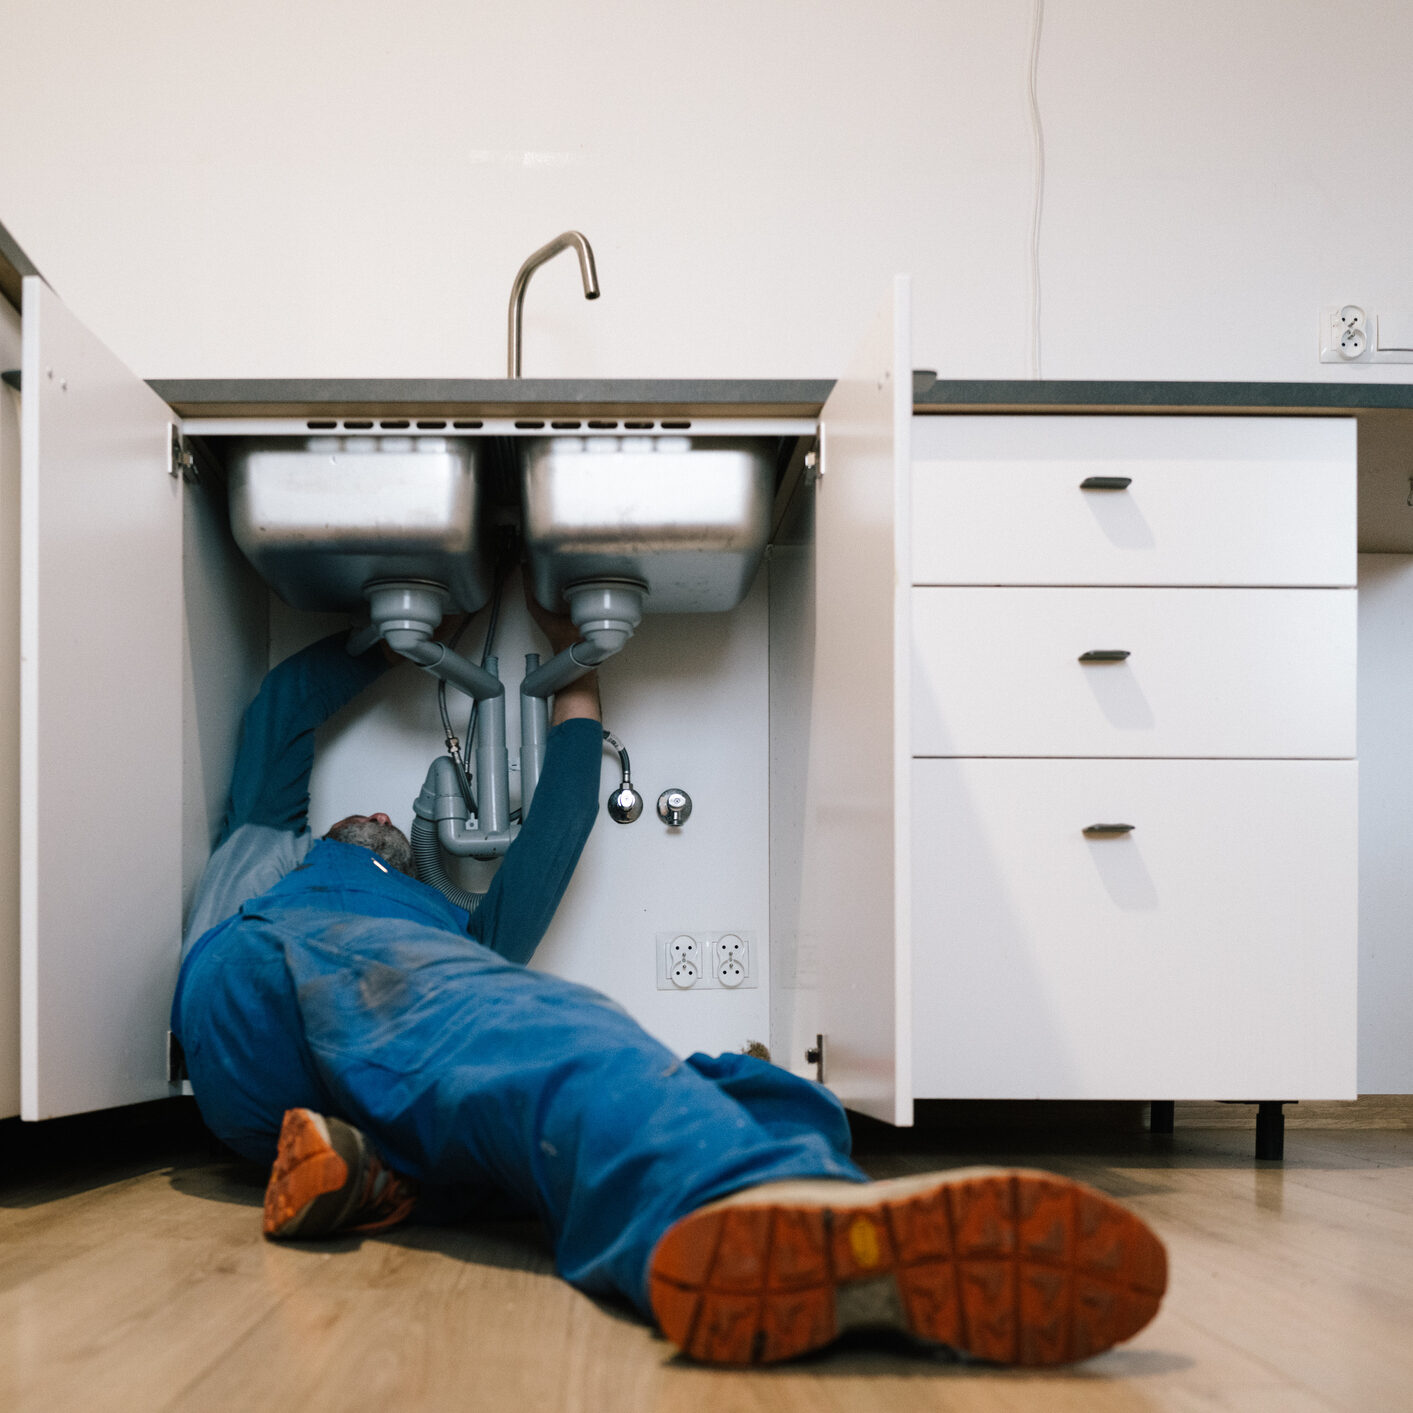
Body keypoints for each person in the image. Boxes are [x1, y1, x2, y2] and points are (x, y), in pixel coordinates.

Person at [171, 596, 1167, 1368]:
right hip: (263, 985)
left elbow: (555, 828)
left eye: (386, 827)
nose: (380, 823)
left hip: (306, 1085)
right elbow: (284, 708)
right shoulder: (288, 862)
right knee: (552, 1028)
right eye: (368, 821)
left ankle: (363, 1177)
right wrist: (423, 631)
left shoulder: (453, 925)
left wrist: (581, 684)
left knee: (720, 1083)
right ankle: (757, 1208)